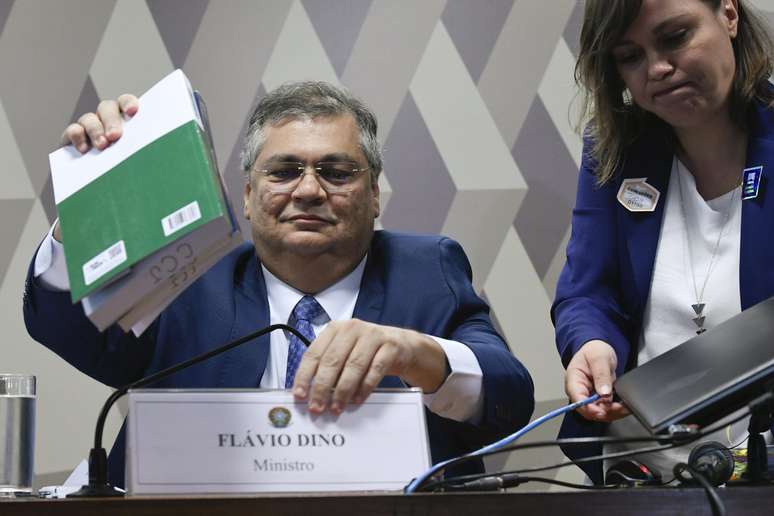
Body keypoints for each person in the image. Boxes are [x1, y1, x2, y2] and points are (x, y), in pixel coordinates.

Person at [24, 80, 534, 487]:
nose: (309, 190)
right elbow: (75, 331)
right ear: (247, 196)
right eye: (284, 171)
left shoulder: (426, 270)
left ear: (374, 194)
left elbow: (508, 396)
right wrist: (85, 214)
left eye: (336, 172)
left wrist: (419, 355)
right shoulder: (191, 277)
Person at [553, 0, 774, 484]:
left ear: (730, 15)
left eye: (675, 37)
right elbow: (587, 291)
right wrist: (590, 343)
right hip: (638, 470)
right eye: (629, 56)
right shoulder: (614, 153)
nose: (656, 68)